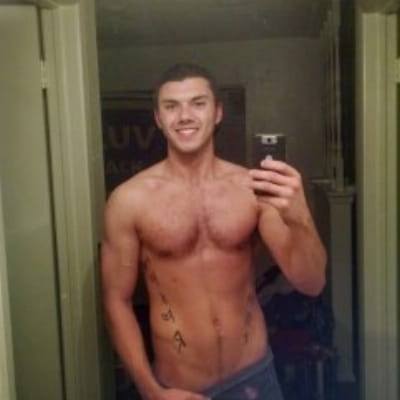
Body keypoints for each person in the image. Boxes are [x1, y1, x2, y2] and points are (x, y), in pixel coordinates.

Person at [100, 63, 326, 400]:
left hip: (254, 380)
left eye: (198, 103)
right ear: (158, 118)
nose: (185, 116)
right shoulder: (129, 200)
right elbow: (116, 301)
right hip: (179, 388)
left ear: (218, 112)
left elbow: (312, 283)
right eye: (171, 106)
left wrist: (300, 216)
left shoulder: (253, 189)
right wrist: (151, 390)